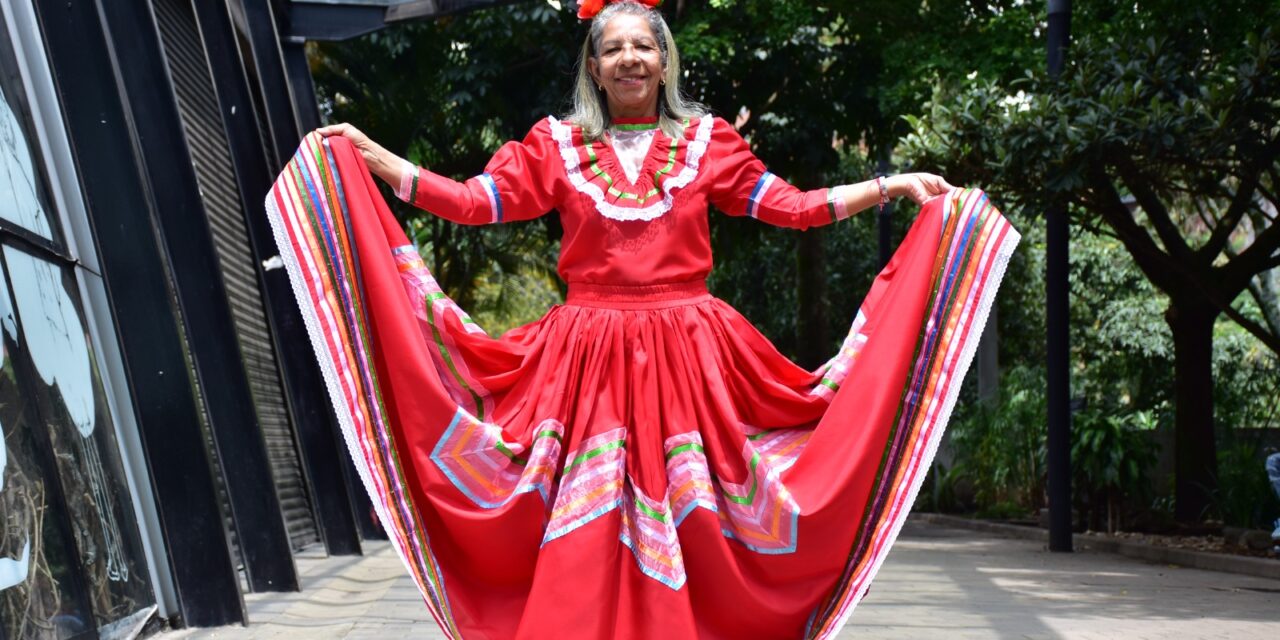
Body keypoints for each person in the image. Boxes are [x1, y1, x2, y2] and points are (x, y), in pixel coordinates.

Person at [272, 1, 1019, 637]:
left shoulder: (709, 141)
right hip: (584, 358)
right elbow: (475, 203)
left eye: (644, 46)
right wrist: (376, 158)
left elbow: (789, 207)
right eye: (613, 47)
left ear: (665, 62)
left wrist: (889, 187)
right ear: (593, 67)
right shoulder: (554, 145)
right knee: (577, 524)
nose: (630, 57)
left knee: (705, 519)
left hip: (692, 355)